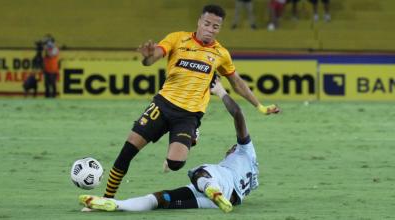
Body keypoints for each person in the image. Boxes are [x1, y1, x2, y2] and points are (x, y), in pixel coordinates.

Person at [103, 4, 279, 199]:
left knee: (175, 164)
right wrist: (146, 58)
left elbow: (236, 82)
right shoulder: (177, 38)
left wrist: (260, 106)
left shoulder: (221, 54)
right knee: (129, 149)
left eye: (215, 27)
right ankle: (107, 198)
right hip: (162, 105)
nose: (210, 30)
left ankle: (192, 135)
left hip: (188, 116)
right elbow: (153, 58)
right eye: (207, 24)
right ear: (199, 22)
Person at [80, 77, 260, 213]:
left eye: (232, 148)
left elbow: (238, 113)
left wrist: (221, 91)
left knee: (201, 172)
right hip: (228, 198)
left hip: (219, 183)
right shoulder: (251, 175)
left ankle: (210, 188)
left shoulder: (245, 150)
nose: (229, 149)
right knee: (161, 199)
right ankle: (116, 205)